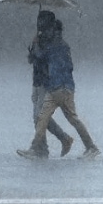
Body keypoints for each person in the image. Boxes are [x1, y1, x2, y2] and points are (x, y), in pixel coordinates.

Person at [18, 20, 100, 159]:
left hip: (60, 87)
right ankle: (37, 147)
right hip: (58, 88)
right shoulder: (60, 45)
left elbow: (39, 57)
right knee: (46, 118)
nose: (45, 32)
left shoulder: (54, 46)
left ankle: (90, 147)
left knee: (49, 118)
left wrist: (36, 46)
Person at [26, 10, 73, 157]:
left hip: (47, 81)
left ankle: (41, 147)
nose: (39, 23)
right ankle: (52, 143)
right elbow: (32, 60)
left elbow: (43, 58)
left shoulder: (52, 38)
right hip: (38, 80)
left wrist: (36, 48)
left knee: (39, 116)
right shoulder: (41, 37)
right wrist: (33, 47)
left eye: (41, 20)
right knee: (39, 115)